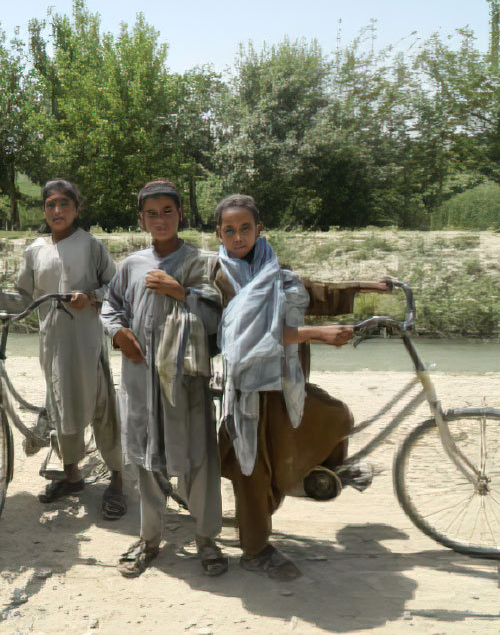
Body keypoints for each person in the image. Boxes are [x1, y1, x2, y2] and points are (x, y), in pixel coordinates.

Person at [210, 193, 390, 580]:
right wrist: (317, 334)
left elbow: (315, 294)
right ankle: (255, 550)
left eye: (245, 228)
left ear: (259, 230)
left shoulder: (277, 270)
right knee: (253, 468)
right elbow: (249, 338)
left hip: (286, 382)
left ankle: (325, 471)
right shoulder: (222, 279)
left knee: (334, 414)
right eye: (230, 230)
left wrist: (368, 287)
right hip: (249, 390)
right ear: (219, 234)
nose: (238, 237)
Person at [100, 180, 227, 578]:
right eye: (151, 214)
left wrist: (181, 293)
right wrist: (118, 333)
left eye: (167, 212)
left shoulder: (202, 262)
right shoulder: (131, 265)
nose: (160, 220)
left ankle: (206, 539)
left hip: (186, 380)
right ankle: (149, 538)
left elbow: (217, 318)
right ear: (141, 219)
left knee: (199, 458)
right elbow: (111, 306)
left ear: (180, 214)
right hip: (140, 377)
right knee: (145, 458)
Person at [0, 179, 126, 519]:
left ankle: (118, 480)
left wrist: (91, 297)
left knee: (102, 406)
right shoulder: (35, 250)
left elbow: (117, 287)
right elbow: (23, 298)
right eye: (51, 205)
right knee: (61, 405)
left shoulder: (90, 245)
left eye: (64, 204)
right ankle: (72, 476)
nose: (57, 211)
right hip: (52, 343)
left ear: (76, 209)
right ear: (44, 210)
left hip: (88, 342)